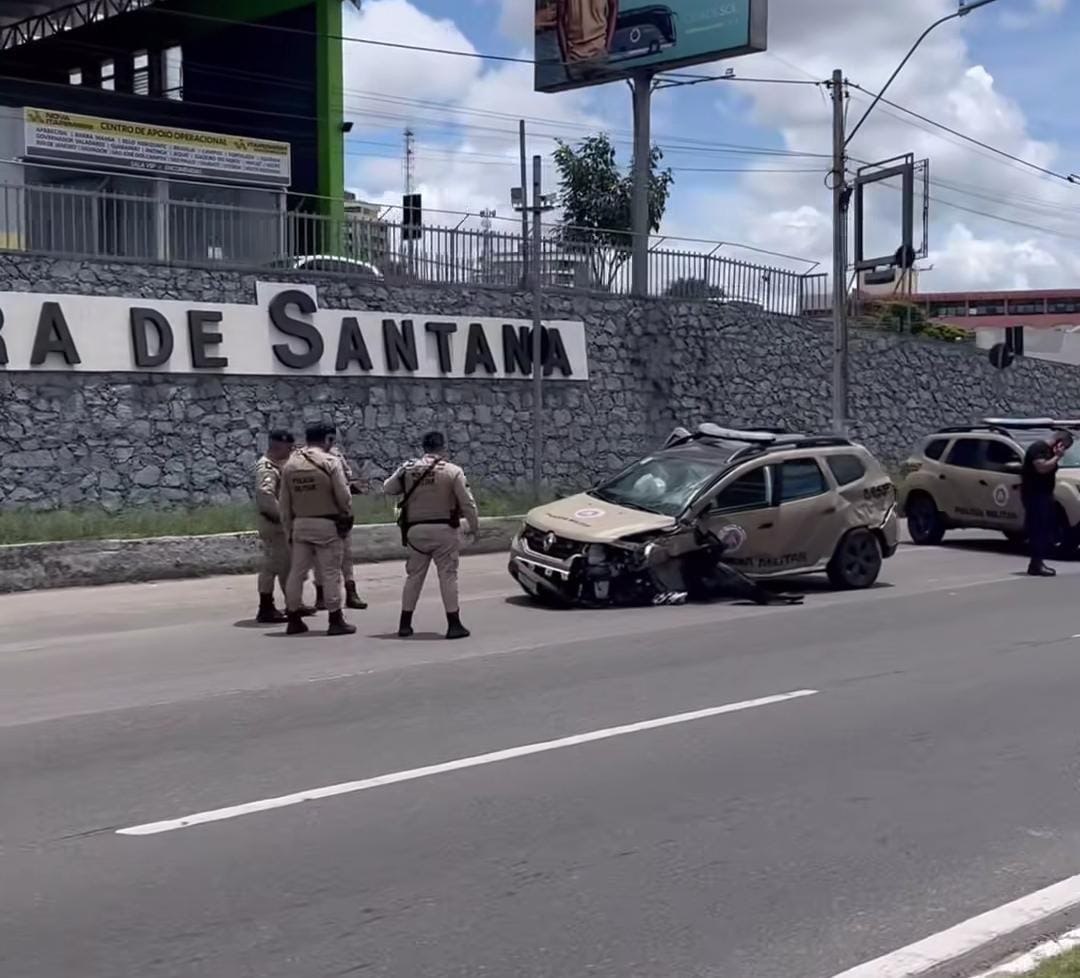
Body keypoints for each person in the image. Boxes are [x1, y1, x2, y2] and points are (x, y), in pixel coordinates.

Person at [384, 431, 480, 640]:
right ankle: (454, 624)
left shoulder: (408, 469)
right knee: (448, 576)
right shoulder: (453, 471)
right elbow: (468, 504)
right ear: (443, 448)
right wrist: (474, 527)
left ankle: (405, 624)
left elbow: (388, 488)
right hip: (444, 531)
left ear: (423, 447)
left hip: (415, 532)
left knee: (414, 577)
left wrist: (404, 472)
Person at [280, 423, 357, 636]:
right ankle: (335, 619)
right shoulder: (331, 462)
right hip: (327, 525)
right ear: (328, 439)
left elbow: (284, 504)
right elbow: (344, 497)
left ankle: (293, 617)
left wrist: (289, 531)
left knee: (297, 573)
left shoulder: (290, 465)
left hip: (300, 525)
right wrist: (346, 514)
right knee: (331, 572)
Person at [254, 429, 295, 623]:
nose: (291, 451)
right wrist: (283, 518)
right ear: (279, 446)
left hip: (278, 525)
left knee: (279, 565)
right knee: (276, 566)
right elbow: (266, 496)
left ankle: (291, 603)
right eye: (289, 447)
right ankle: (268, 608)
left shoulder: (279, 464)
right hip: (275, 525)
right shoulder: (267, 467)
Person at [1021, 428, 1074, 577]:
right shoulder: (1038, 448)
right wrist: (1057, 457)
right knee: (1037, 529)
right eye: (1065, 447)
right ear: (1059, 443)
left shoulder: (1048, 452)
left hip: (1044, 495)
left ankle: (1037, 562)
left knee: (1045, 529)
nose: (1064, 450)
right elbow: (1042, 468)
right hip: (1035, 496)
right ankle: (1036, 564)